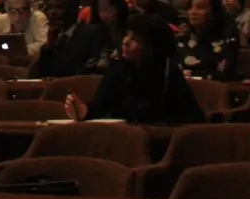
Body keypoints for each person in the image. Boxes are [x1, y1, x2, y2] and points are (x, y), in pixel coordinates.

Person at [69, 16, 204, 125]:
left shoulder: (167, 72)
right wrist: (84, 110)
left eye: (136, 39)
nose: (125, 42)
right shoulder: (118, 66)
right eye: (127, 35)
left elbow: (190, 119)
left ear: (154, 47)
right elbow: (100, 105)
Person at [30, 0, 105, 78]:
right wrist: (49, 46)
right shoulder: (55, 37)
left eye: (59, 7)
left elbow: (88, 69)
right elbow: (44, 73)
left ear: (73, 10)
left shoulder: (92, 33)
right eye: (49, 7)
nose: (52, 12)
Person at [175, 0, 237, 82]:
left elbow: (224, 75)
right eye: (190, 7)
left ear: (214, 12)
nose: (193, 12)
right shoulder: (181, 41)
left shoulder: (227, 40)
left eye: (200, 7)